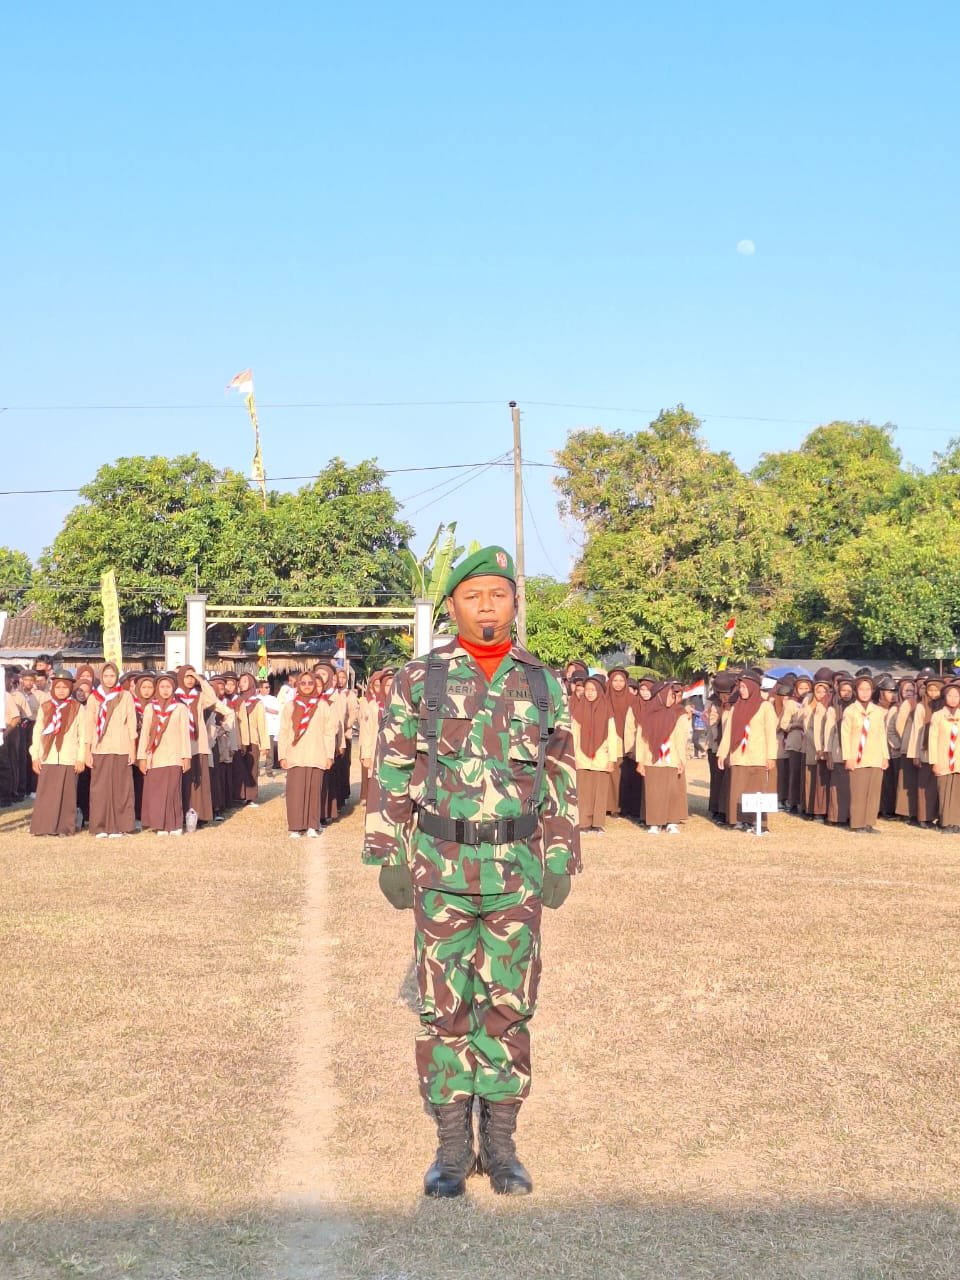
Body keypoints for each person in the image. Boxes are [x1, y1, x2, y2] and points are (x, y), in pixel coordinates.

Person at [363, 546, 580, 1199]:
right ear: (453, 605)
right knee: (445, 1011)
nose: (487, 606)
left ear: (515, 603)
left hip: (516, 870)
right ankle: (453, 1152)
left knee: (509, 1009)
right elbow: (391, 768)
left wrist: (563, 854)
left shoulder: (542, 683)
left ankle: (504, 1149)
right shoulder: (419, 680)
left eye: (499, 594)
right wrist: (386, 852)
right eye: (473, 595)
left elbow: (564, 774)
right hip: (442, 868)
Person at [277, 671, 337, 837]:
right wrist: (282, 755)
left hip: (317, 754)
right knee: (295, 792)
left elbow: (329, 732)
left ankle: (312, 825)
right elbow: (283, 732)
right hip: (295, 754)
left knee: (314, 792)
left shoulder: (322, 705)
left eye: (310, 683)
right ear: (297, 685)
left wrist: (329, 756)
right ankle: (296, 826)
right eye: (303, 683)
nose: (307, 686)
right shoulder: (291, 706)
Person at [717, 669, 778, 833]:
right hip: (739, 755)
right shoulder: (736, 707)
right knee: (738, 788)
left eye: (744, 687)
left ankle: (757, 822)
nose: (742, 691)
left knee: (756, 788)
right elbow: (728, 732)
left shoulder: (765, 707)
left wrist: (771, 756)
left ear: (752, 687)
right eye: (740, 687)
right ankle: (739, 820)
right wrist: (722, 753)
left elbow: (771, 734)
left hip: (758, 755)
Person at [84, 660, 138, 838]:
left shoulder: (125, 696)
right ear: (101, 677)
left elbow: (132, 724)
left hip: (121, 748)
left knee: (122, 789)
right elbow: (89, 726)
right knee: (100, 789)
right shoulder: (94, 698)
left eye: (112, 676)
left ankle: (120, 826)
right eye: (105, 676)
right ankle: (100, 826)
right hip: (100, 748)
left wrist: (133, 750)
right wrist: (87, 751)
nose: (108, 679)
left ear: (117, 677)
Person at [30, 671, 86, 836]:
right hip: (49, 757)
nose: (61, 690)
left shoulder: (77, 708)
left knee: (67, 795)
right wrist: (36, 756)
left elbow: (82, 735)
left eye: (65, 687)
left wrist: (80, 758)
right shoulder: (46, 706)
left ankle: (64, 828)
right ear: (53, 687)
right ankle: (44, 827)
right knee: (47, 794)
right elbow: (37, 732)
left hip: (69, 757)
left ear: (71, 688)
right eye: (58, 687)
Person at [138, 673, 191, 836]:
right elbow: (145, 733)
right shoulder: (149, 708)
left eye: (168, 687)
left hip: (174, 755)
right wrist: (142, 757)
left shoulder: (180, 708)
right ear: (157, 689)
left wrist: (186, 756)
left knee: (173, 791)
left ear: (173, 688)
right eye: (162, 687)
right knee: (157, 792)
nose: (165, 690)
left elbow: (184, 733)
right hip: (154, 756)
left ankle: (174, 825)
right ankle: (159, 825)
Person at [634, 679, 688, 834]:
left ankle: (671, 821)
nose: (673, 698)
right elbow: (641, 740)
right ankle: (654, 823)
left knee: (672, 791)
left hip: (671, 759)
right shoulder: (646, 716)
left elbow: (680, 740)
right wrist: (640, 761)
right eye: (671, 695)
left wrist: (681, 760)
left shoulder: (676, 715)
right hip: (652, 760)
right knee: (654, 792)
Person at [840, 674, 889, 834]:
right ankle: (857, 822)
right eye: (861, 689)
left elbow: (882, 733)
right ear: (856, 691)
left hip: (875, 755)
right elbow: (845, 735)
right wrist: (848, 757)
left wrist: (885, 756)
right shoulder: (850, 711)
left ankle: (869, 822)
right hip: (857, 756)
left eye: (868, 689)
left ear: (873, 691)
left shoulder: (878, 711)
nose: (865, 692)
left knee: (873, 791)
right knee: (858, 791)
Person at [570, 674, 617, 833]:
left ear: (599, 691)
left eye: (593, 690)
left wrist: (612, 759)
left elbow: (612, 736)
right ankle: (583, 823)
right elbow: (574, 735)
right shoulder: (578, 709)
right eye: (587, 690)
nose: (589, 693)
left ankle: (597, 823)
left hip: (601, 757)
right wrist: (573, 756)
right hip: (582, 757)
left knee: (600, 791)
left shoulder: (607, 710)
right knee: (584, 792)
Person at [930, 678, 960, 833]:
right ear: (945, 697)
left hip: (959, 760)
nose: (953, 699)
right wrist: (934, 761)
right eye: (950, 696)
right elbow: (932, 740)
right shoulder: (938, 716)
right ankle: (945, 822)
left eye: (957, 696)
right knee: (944, 790)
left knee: (957, 792)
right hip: (943, 759)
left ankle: (956, 822)